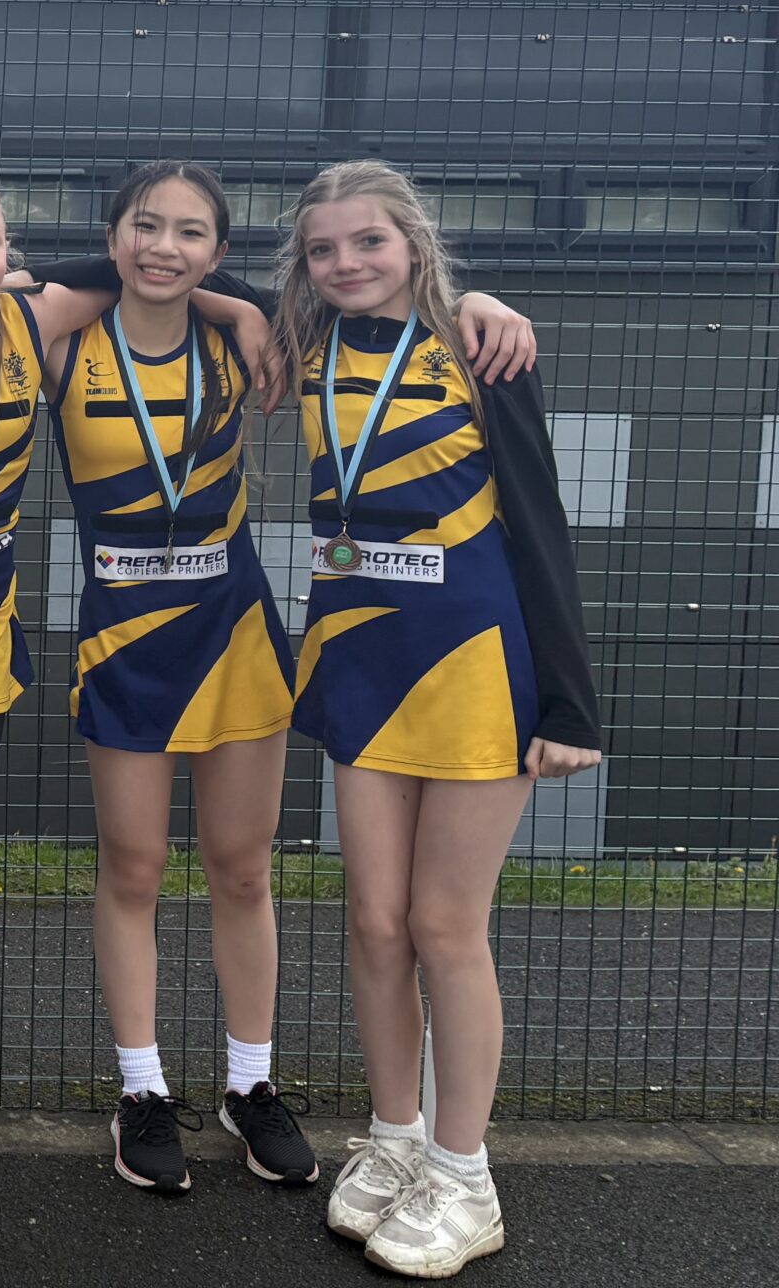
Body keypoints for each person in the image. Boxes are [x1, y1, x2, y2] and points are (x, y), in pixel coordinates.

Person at [0, 163, 535, 1196]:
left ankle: (249, 1083)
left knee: (241, 868)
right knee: (133, 869)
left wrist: (479, 298)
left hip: (234, 632)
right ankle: (141, 1092)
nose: (163, 247)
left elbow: (382, 311)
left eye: (190, 233)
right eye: (145, 226)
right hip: (124, 638)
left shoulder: (253, 338)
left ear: (220, 254)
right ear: (113, 236)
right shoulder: (59, 339)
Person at [278, 161, 601, 1279]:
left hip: (472, 665)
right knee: (374, 923)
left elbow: (540, 523)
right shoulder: (302, 347)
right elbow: (153, 274)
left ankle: (465, 1177)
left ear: (413, 242)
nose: (346, 263)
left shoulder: (479, 348)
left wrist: (569, 703)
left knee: (444, 926)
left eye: (368, 241)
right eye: (322, 248)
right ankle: (396, 1140)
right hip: (362, 663)